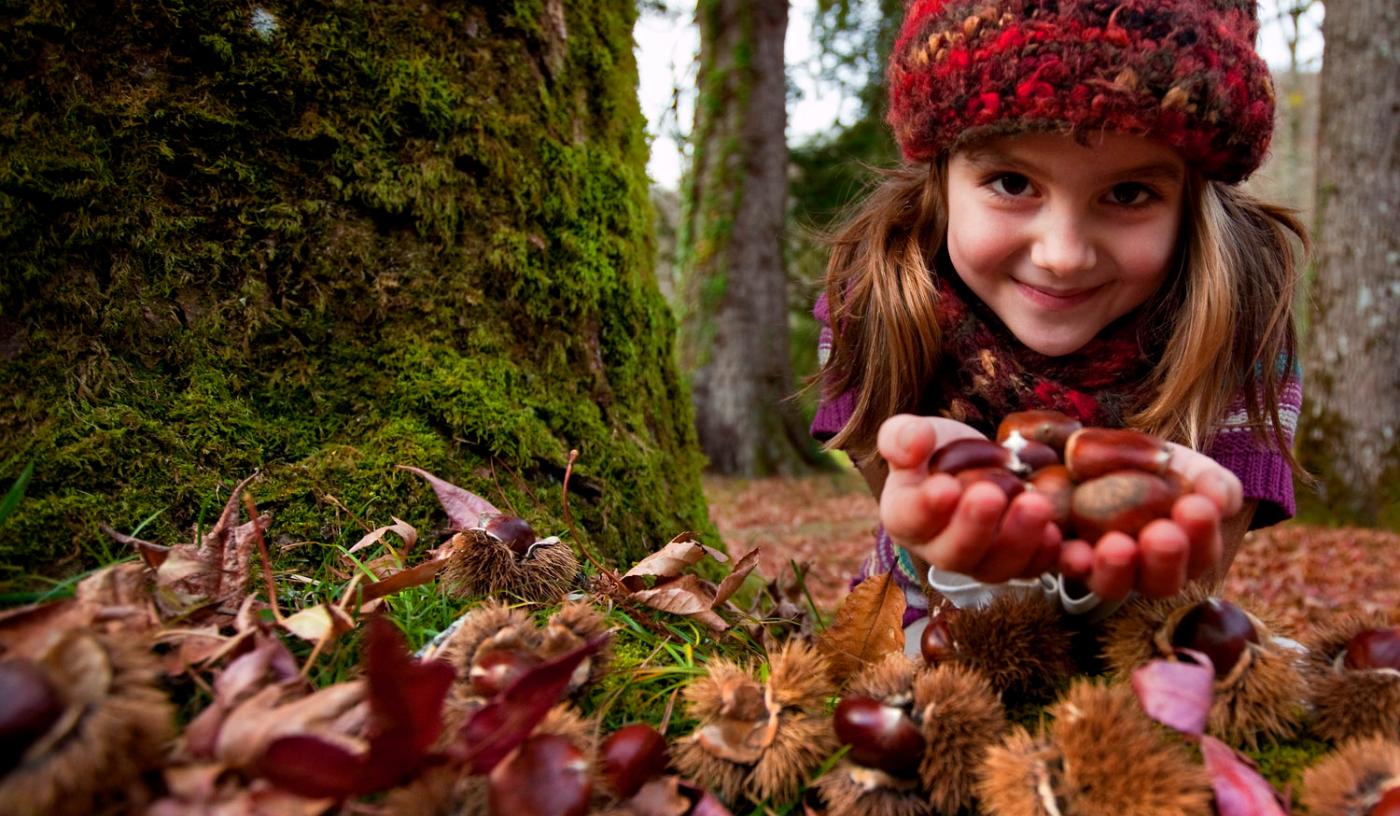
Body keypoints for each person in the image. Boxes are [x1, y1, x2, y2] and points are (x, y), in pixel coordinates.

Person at [810, 0, 1306, 629]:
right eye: (1014, 185)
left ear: (1190, 201)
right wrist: (949, 540)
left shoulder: (1242, 331)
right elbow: (914, 536)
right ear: (940, 178)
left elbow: (1182, 595)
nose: (1064, 256)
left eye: (1128, 194)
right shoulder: (874, 307)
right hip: (908, 641)